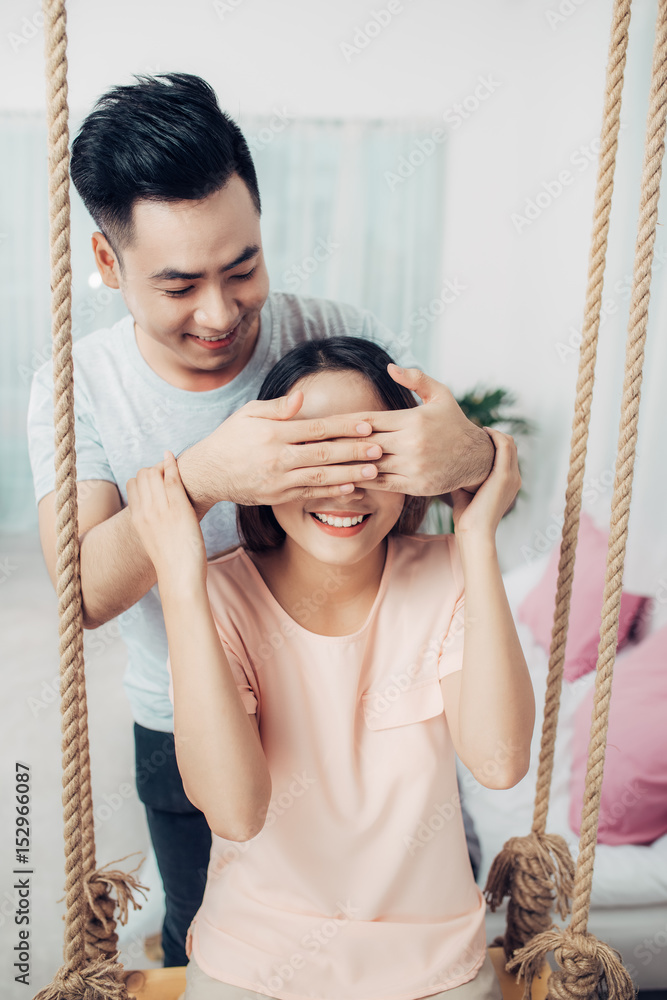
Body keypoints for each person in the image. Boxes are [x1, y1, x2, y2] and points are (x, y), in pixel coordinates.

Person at [26, 73, 496, 968]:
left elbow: (448, 484)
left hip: (378, 710)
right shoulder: (77, 383)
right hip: (192, 719)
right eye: (178, 286)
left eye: (242, 268)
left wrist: (467, 454)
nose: (219, 312)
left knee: (417, 941)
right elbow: (79, 595)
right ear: (106, 261)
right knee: (205, 942)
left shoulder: (332, 329)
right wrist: (205, 477)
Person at [127, 336, 534, 1000]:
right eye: (313, 457)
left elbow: (498, 761)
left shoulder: (450, 575)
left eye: (370, 453)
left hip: (432, 966)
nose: (344, 485)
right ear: (262, 473)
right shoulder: (218, 596)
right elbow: (233, 811)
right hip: (252, 964)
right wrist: (178, 578)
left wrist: (479, 539)